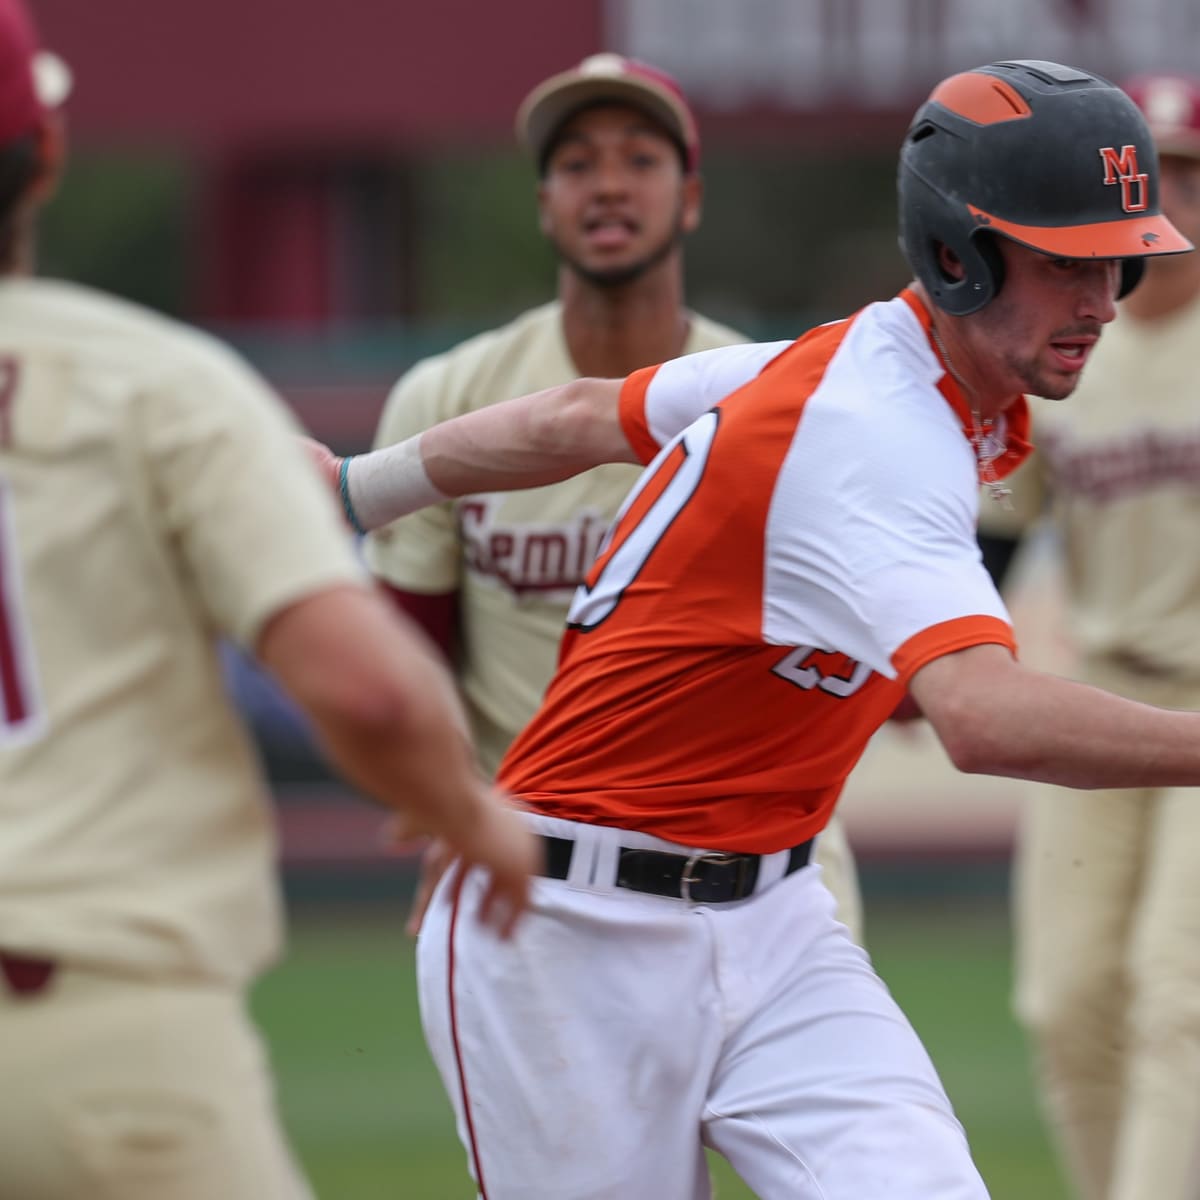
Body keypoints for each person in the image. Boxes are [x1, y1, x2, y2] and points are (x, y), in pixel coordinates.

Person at [311, 60, 1197, 1199]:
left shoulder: (855, 355)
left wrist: (354, 485)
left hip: (776, 923)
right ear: (954, 252)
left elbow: (583, 413)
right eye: (1064, 258)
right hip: (567, 936)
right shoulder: (879, 434)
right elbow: (980, 718)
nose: (1104, 298)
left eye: (1120, 257)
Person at [0, 1, 537, 1196]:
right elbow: (359, 684)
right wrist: (464, 807)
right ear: (47, 155)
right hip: (100, 1035)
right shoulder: (159, 385)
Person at [364, 52, 864, 939]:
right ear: (543, 201)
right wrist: (447, 810)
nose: (608, 187)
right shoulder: (448, 398)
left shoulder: (772, 397)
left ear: (692, 198)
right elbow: (413, 652)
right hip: (538, 857)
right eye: (576, 163)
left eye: (640, 159)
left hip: (754, 854)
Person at [976, 72, 1200, 1200]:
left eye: (1194, 177)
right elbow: (1000, 532)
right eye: (1160, 181)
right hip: (1110, 688)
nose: (1179, 206)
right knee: (1065, 1001)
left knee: (1181, 1001)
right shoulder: (1070, 341)